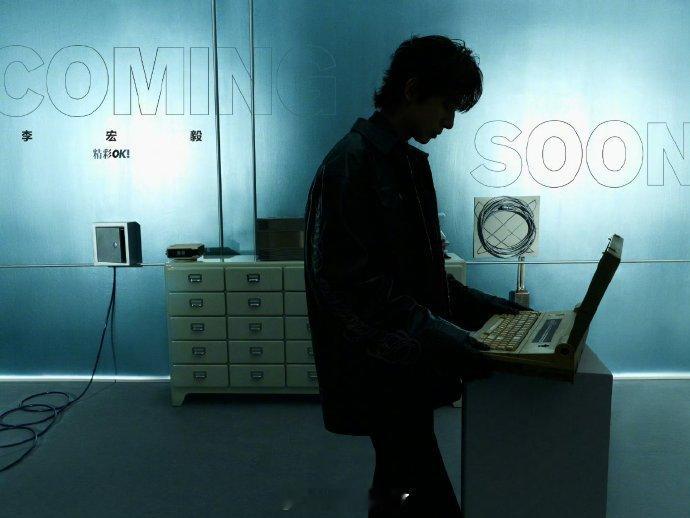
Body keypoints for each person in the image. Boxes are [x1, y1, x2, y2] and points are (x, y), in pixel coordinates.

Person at [303, 35, 529, 517]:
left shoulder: (399, 163)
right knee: (420, 488)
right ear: (411, 90)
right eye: (446, 106)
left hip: (402, 363)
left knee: (397, 482)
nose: (449, 122)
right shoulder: (351, 163)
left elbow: (423, 279)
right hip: (382, 368)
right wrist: (444, 334)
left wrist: (502, 311)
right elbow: (349, 283)